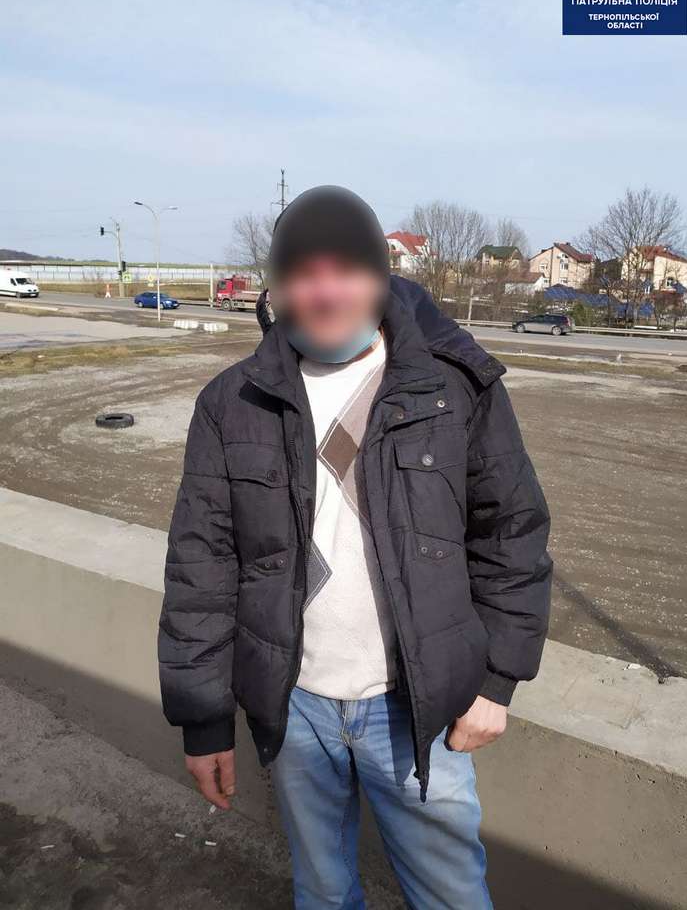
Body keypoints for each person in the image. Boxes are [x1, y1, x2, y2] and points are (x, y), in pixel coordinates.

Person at [158, 185, 552, 909]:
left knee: (451, 896)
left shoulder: (453, 386)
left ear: (379, 277)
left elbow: (512, 534)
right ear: (278, 287)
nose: (326, 291)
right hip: (295, 707)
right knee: (323, 891)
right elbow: (201, 569)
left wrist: (498, 681)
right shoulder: (231, 403)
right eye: (304, 274)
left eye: (345, 270)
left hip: (419, 707)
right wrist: (204, 719)